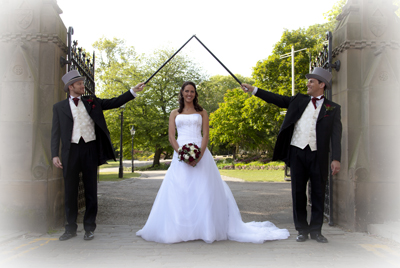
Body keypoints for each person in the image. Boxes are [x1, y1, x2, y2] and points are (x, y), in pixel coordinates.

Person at [136, 81, 290, 244]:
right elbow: (171, 137)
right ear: (181, 93)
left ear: (195, 94)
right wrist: (181, 153)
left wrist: (199, 155)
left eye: (192, 92)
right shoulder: (174, 113)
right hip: (180, 154)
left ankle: (205, 228)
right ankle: (181, 229)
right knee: (180, 189)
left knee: (203, 190)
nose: (189, 94)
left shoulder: (202, 112)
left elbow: (206, 136)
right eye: (187, 91)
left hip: (200, 153)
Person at [241, 67, 342, 243]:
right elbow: (277, 99)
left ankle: (316, 231)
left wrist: (336, 158)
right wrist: (254, 90)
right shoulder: (298, 100)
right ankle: (302, 230)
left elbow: (336, 135)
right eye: (308, 80)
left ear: (322, 84)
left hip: (318, 156)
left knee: (319, 193)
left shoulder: (332, 108)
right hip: (296, 152)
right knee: (298, 193)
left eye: (311, 81)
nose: (308, 83)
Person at [51, 70, 145, 241]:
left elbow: (114, 102)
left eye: (83, 83)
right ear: (71, 87)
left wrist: (133, 91)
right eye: (79, 83)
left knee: (91, 191)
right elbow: (55, 133)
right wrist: (54, 155)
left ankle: (89, 228)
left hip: (90, 149)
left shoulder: (92, 101)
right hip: (70, 152)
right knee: (70, 191)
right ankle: (70, 228)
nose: (83, 86)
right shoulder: (59, 107)